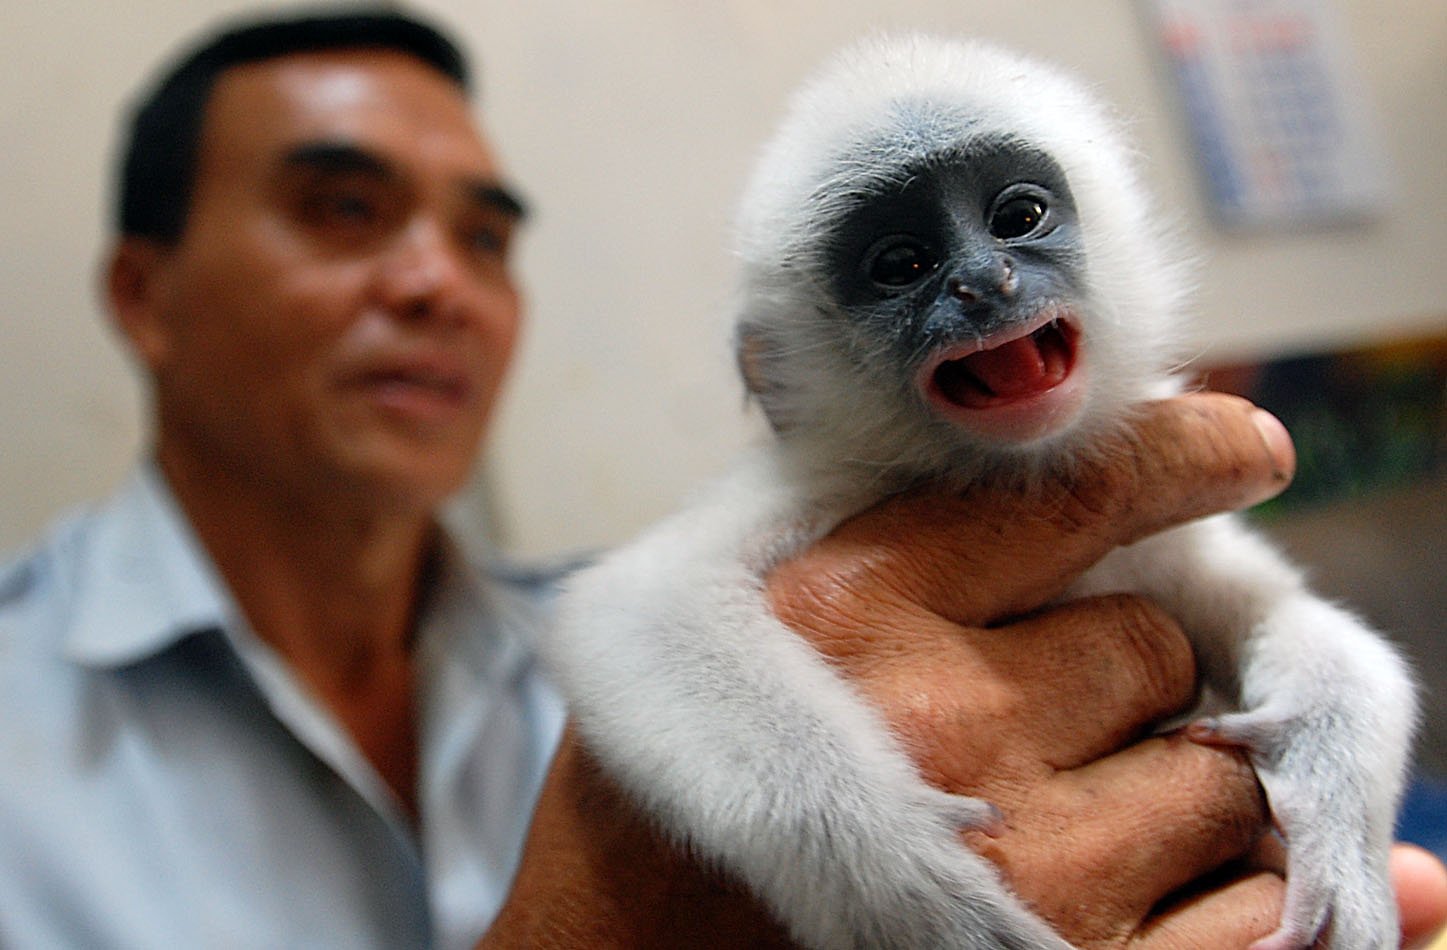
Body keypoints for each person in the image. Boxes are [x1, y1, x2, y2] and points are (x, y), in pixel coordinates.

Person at [0, 8, 1440, 949]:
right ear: (144, 293)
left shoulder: (559, 625)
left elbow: (1284, 639)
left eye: (485, 234)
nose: (435, 282)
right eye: (344, 209)